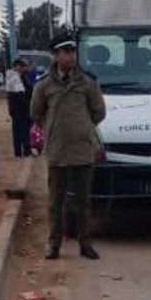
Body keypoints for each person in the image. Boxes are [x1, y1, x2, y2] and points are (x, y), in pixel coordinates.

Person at [31, 33, 106, 261]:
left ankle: (85, 244)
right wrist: (53, 128)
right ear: (55, 56)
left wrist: (82, 127)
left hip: (82, 149)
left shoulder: (87, 81)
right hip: (57, 150)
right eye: (66, 51)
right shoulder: (44, 84)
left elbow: (99, 112)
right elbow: (36, 113)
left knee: (83, 201)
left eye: (73, 51)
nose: (71, 55)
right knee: (56, 201)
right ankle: (54, 244)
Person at [6, 58, 32, 158]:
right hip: (17, 107)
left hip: (23, 107)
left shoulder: (23, 76)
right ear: (17, 66)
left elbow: (29, 89)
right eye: (23, 66)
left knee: (25, 129)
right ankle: (19, 151)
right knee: (19, 130)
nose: (25, 68)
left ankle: (26, 149)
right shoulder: (13, 77)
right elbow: (20, 93)